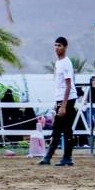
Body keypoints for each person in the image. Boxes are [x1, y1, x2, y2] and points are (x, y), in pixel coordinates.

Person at [39, 36, 78, 166]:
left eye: (59, 45)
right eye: (55, 45)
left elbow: (68, 85)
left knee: (63, 129)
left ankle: (62, 157)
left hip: (67, 99)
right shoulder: (58, 62)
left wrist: (63, 106)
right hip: (60, 99)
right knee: (60, 129)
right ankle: (53, 157)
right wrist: (57, 102)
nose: (57, 48)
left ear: (65, 47)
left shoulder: (66, 63)